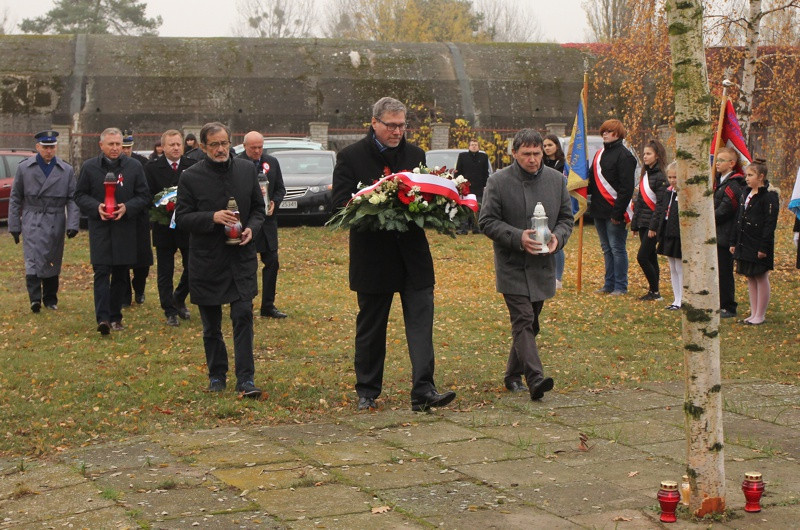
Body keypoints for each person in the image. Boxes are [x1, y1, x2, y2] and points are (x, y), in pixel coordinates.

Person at [331, 96, 456, 412]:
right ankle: (368, 391)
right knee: (372, 328)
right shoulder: (350, 157)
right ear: (374, 123)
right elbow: (339, 206)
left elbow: (424, 196)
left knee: (421, 323)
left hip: (413, 258)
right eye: (391, 125)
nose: (398, 131)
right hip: (373, 259)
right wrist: (379, 206)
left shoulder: (415, 155)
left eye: (402, 125)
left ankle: (424, 391)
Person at [479, 129, 573, 401]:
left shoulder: (556, 181)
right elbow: (486, 221)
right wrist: (517, 237)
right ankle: (535, 378)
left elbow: (567, 218)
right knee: (523, 320)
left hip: (543, 264)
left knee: (531, 324)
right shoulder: (498, 181)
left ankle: (512, 375)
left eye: (537, 153)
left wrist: (559, 237)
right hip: (512, 264)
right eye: (526, 154)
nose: (533, 159)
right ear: (514, 154)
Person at [175, 122, 266, 398]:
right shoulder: (191, 177)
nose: (220, 149)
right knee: (211, 324)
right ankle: (217, 374)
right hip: (207, 260)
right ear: (203, 147)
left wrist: (252, 227)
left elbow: (260, 210)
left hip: (240, 257)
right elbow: (182, 218)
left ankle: (246, 379)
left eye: (224, 143)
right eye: (214, 144)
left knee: (242, 316)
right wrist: (212, 217)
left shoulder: (247, 170)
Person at [74, 127, 151, 334]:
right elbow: (79, 195)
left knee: (120, 274)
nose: (116, 148)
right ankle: (103, 319)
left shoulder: (134, 166)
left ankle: (116, 316)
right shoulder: (90, 167)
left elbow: (144, 196)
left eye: (118, 144)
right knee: (101, 272)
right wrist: (95, 207)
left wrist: (127, 207)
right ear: (101, 145)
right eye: (111, 144)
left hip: (124, 228)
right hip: (100, 228)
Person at [8, 130, 80, 313]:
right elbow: (16, 198)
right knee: (31, 259)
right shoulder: (25, 168)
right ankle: (34, 299)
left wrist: (73, 224)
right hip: (33, 217)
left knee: (52, 258)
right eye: (45, 147)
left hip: (55, 218)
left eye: (52, 147)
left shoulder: (66, 170)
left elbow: (72, 198)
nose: (49, 151)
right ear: (37, 147)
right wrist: (14, 226)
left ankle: (50, 298)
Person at [144, 129, 197, 327]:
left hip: (186, 226)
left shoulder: (192, 166)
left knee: (192, 266)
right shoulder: (151, 168)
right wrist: (162, 208)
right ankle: (169, 310)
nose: (175, 148)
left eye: (178, 144)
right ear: (163, 147)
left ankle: (179, 297)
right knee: (165, 270)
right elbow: (147, 195)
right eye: (171, 145)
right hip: (163, 226)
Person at [237, 131, 288, 319]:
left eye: (260, 147)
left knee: (272, 262)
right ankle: (246, 305)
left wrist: (275, 201)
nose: (257, 151)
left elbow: (281, 188)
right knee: (247, 266)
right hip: (247, 223)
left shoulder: (272, 162)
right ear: (244, 146)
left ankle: (268, 305)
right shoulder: (236, 163)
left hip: (268, 223)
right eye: (253, 148)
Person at [588, 119, 636, 295]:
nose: (605, 134)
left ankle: (620, 286)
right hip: (599, 210)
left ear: (618, 133)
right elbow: (592, 181)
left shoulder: (625, 156)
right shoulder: (600, 154)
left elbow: (626, 188)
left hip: (614, 210)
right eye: (603, 132)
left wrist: (618, 213)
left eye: (609, 131)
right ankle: (609, 284)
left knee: (617, 248)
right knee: (606, 248)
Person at [729, 159, 779, 325]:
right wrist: (733, 242)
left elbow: (769, 224)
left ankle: (760, 314)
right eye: (746, 175)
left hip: (759, 243)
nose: (747, 178)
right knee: (750, 276)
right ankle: (753, 312)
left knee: (760, 275)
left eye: (751, 175)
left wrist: (763, 247)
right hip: (745, 241)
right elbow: (738, 220)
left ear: (761, 176)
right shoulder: (745, 193)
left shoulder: (769, 197)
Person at [630, 139, 668, 301]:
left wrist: (654, 227)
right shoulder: (645, 175)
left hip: (653, 225)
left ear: (657, 156)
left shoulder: (660, 177)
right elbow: (639, 202)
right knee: (651, 256)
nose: (645, 157)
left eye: (648, 154)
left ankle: (655, 290)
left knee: (642, 257)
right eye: (644, 154)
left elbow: (660, 205)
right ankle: (654, 291)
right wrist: (635, 223)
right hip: (643, 222)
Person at [121, 130, 153, 306]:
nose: (125, 151)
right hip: (120, 219)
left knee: (142, 261)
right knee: (122, 259)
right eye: (122, 147)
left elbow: (146, 191)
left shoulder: (142, 163)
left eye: (128, 147)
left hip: (139, 218)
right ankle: (124, 294)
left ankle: (139, 289)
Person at [713, 146, 746, 318]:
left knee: (725, 271)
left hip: (726, 234)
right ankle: (720, 302)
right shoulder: (718, 181)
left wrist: (709, 217)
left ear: (732, 163)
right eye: (716, 159)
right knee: (717, 271)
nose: (717, 163)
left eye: (721, 160)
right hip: (717, 233)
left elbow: (726, 209)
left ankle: (728, 305)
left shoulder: (734, 184)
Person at [655, 162, 682, 310]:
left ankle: (682, 298)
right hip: (667, 232)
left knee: (679, 267)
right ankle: (676, 298)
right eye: (670, 177)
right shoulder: (668, 192)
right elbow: (662, 211)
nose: (672, 180)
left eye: (676, 177)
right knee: (672, 267)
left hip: (678, 234)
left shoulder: (684, 194)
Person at [542, 133, 567, 288]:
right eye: (544, 146)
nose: (547, 148)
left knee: (556, 239)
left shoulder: (563, 164)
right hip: (542, 204)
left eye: (550, 145)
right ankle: (546, 273)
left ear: (556, 146)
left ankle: (558, 277)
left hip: (558, 203)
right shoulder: (541, 163)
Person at [454, 138, 490, 234]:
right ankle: (463, 228)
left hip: (478, 187)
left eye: (476, 145)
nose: (474, 146)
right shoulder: (463, 156)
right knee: (465, 208)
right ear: (469, 146)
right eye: (472, 144)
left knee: (478, 208)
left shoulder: (484, 157)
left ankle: (477, 228)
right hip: (465, 187)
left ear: (478, 146)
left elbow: (485, 172)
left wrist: (485, 185)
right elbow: (458, 171)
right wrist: (459, 183)